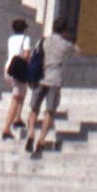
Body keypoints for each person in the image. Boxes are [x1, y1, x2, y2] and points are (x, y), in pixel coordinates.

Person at [24, 25, 75, 158]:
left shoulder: (42, 41)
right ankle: (41, 140)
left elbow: (33, 55)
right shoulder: (64, 44)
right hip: (54, 80)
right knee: (49, 111)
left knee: (34, 108)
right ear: (63, 31)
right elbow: (77, 50)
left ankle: (30, 134)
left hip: (40, 79)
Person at [1, 16, 41, 142]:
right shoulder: (26, 38)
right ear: (24, 29)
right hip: (19, 69)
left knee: (21, 93)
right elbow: (26, 53)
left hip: (9, 67)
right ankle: (6, 128)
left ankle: (18, 118)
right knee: (16, 98)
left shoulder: (10, 39)